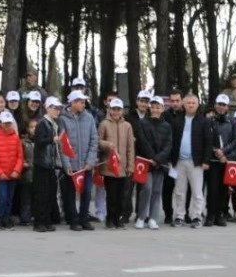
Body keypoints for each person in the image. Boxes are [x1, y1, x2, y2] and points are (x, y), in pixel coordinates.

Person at [169, 94, 212, 227]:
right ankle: (180, 216)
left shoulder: (203, 121)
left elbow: (208, 142)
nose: (191, 105)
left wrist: (206, 160)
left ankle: (197, 216)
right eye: (188, 103)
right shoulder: (177, 120)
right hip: (179, 161)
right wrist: (171, 160)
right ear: (184, 104)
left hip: (196, 162)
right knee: (179, 191)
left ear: (197, 105)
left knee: (197, 191)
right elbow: (172, 141)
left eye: (193, 103)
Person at [60, 90, 99, 231]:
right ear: (73, 102)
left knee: (87, 192)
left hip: (85, 165)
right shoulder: (63, 119)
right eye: (81, 102)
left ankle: (84, 218)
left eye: (84, 102)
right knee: (70, 194)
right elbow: (62, 143)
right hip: (71, 164)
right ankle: (73, 219)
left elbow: (94, 140)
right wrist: (66, 164)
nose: (83, 104)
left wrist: (91, 160)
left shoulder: (89, 118)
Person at [133, 97, 173, 229]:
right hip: (146, 162)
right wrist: (151, 158)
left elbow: (168, 145)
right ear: (150, 108)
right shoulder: (143, 123)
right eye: (153, 107)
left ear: (162, 109)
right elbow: (142, 142)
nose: (155, 110)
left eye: (158, 107)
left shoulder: (167, 126)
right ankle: (141, 217)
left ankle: (153, 218)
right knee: (147, 188)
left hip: (159, 164)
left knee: (156, 190)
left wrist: (157, 159)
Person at [98, 98, 136, 229]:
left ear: (122, 111)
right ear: (109, 110)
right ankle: (110, 219)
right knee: (111, 195)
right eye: (113, 109)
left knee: (122, 195)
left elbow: (131, 147)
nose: (115, 112)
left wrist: (131, 165)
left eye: (118, 109)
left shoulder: (127, 126)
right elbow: (98, 141)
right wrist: (107, 144)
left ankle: (118, 218)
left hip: (123, 167)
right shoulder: (104, 124)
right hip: (110, 166)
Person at [205, 93, 236, 226]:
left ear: (227, 107)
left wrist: (224, 152)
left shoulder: (232, 122)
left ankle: (220, 215)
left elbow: (235, 140)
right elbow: (207, 140)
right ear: (215, 105)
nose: (221, 107)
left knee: (224, 190)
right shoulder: (209, 121)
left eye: (224, 105)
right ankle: (210, 215)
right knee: (212, 189)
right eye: (219, 104)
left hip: (226, 160)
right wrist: (215, 151)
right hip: (213, 161)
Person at [32, 97, 66, 232]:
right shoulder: (43, 123)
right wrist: (52, 139)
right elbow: (38, 140)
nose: (57, 111)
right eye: (55, 108)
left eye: (59, 109)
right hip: (42, 164)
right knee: (41, 194)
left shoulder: (54, 124)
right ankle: (39, 222)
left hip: (51, 164)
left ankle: (46, 220)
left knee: (50, 194)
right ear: (47, 108)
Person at [0, 111, 23, 229]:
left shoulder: (15, 137)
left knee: (9, 198)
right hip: (1, 175)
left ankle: (6, 219)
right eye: (5, 123)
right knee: (2, 197)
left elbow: (20, 156)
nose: (8, 125)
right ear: (0, 123)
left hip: (12, 174)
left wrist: (16, 170)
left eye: (9, 123)